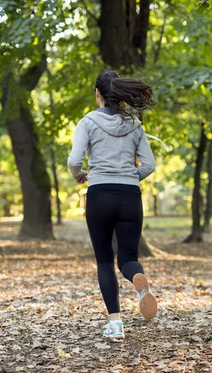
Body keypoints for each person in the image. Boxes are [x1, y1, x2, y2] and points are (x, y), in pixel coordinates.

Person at [67, 70, 158, 340]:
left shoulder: (88, 122)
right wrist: (130, 177)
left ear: (98, 94)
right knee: (128, 259)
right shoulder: (135, 124)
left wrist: (80, 175)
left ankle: (116, 324)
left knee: (104, 259)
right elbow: (150, 165)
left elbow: (74, 161)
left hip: (100, 195)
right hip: (130, 197)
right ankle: (139, 283)